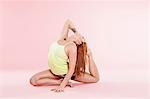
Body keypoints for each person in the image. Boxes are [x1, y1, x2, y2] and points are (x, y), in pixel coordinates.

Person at [29, 19, 100, 92]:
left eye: (82, 38)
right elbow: (68, 22)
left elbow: (71, 70)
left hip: (65, 73)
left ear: (78, 42)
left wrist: (61, 86)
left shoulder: (72, 47)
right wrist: (76, 32)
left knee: (95, 79)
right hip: (55, 72)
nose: (80, 36)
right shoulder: (63, 38)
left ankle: (90, 55)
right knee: (33, 80)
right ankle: (59, 81)